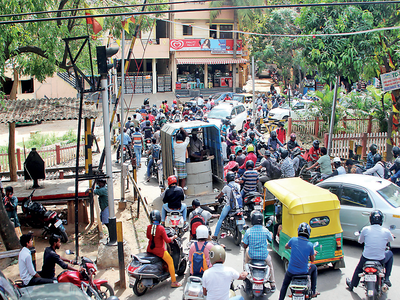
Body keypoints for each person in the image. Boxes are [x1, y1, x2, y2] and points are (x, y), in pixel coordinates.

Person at [346, 210, 393, 291]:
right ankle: (387, 278)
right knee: (390, 254)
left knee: (359, 269)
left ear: (371, 219)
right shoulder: (386, 231)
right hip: (380, 259)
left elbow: (360, 241)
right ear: (381, 220)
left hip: (366, 258)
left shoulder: (365, 229)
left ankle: (352, 285)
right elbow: (391, 239)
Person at [278, 223, 320, 300]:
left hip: (291, 272)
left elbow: (286, 246)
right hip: (303, 272)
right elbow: (312, 260)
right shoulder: (310, 245)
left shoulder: (293, 240)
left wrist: (292, 247)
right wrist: (313, 253)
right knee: (313, 267)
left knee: (284, 286)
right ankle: (313, 291)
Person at [147, 210, 182, 288]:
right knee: (170, 261)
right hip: (160, 251)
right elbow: (167, 240)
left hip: (150, 249)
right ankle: (174, 281)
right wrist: (174, 237)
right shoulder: (161, 228)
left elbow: (148, 236)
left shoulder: (149, 227)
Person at [243, 211, 276, 292]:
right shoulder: (265, 230)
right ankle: (273, 284)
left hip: (252, 256)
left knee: (245, 261)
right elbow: (271, 240)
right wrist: (271, 234)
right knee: (270, 266)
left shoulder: (249, 231)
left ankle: (245, 274)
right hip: (264, 256)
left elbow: (245, 245)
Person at [212, 172, 242, 239]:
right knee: (243, 220)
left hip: (229, 206)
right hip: (238, 206)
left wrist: (217, 197)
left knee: (220, 219)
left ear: (227, 179)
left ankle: (215, 235)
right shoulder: (238, 185)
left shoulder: (226, 187)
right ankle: (244, 235)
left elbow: (220, 195)